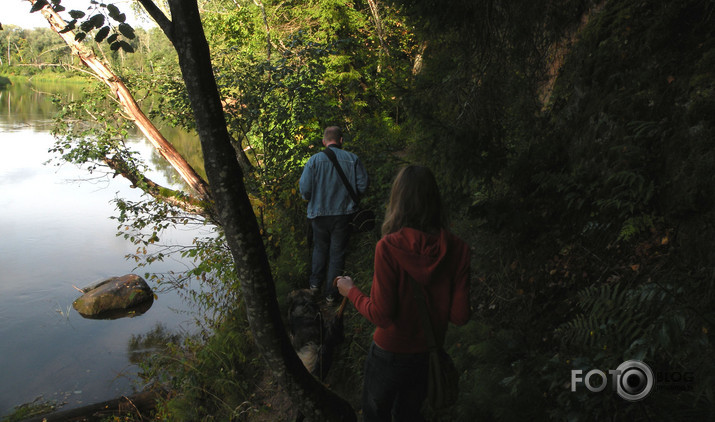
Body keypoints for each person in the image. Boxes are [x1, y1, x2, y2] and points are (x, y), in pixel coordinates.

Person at [336, 165, 470, 421]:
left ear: (398, 200)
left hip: (389, 354)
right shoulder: (459, 249)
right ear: (435, 200)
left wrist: (350, 291)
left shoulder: (388, 248)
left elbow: (382, 315)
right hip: (427, 353)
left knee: (376, 415)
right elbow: (460, 315)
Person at [299, 126, 369, 303]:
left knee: (320, 249)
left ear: (324, 141)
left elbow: (305, 190)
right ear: (341, 140)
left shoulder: (313, 161)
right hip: (343, 215)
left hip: (319, 216)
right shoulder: (353, 159)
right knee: (337, 253)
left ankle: (315, 286)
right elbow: (362, 186)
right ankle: (331, 295)